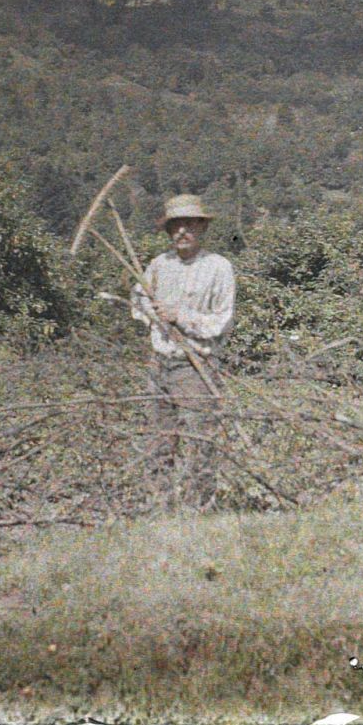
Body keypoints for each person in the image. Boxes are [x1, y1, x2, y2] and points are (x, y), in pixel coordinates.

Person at [129, 193, 236, 506]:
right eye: (176, 226)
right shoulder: (158, 266)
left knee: (199, 438)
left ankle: (200, 506)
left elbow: (222, 321)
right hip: (160, 363)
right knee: (158, 439)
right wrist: (152, 310)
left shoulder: (218, 267)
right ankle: (159, 505)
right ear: (168, 230)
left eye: (189, 224)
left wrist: (180, 317)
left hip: (195, 366)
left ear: (201, 228)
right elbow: (138, 302)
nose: (182, 232)